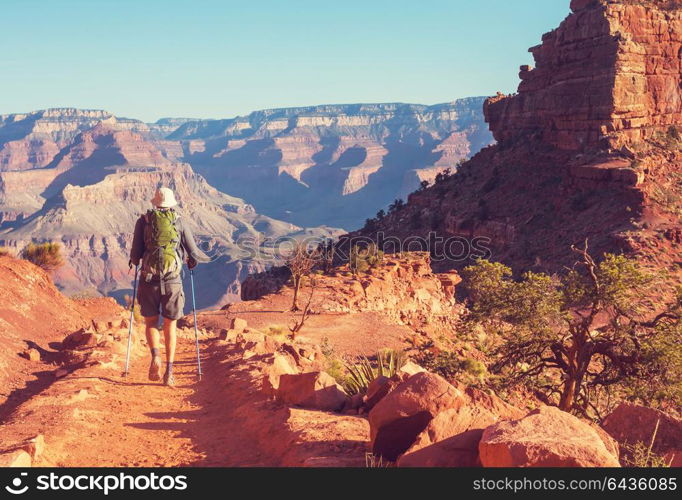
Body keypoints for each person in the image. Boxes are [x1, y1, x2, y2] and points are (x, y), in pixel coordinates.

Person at [129, 187, 207, 386]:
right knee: (170, 325)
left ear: (155, 203)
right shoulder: (178, 221)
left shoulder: (143, 221)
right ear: (171, 204)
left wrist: (139, 260)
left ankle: (155, 356)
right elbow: (194, 253)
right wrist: (191, 262)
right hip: (172, 281)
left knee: (151, 323)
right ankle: (169, 372)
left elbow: (135, 255)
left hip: (149, 281)